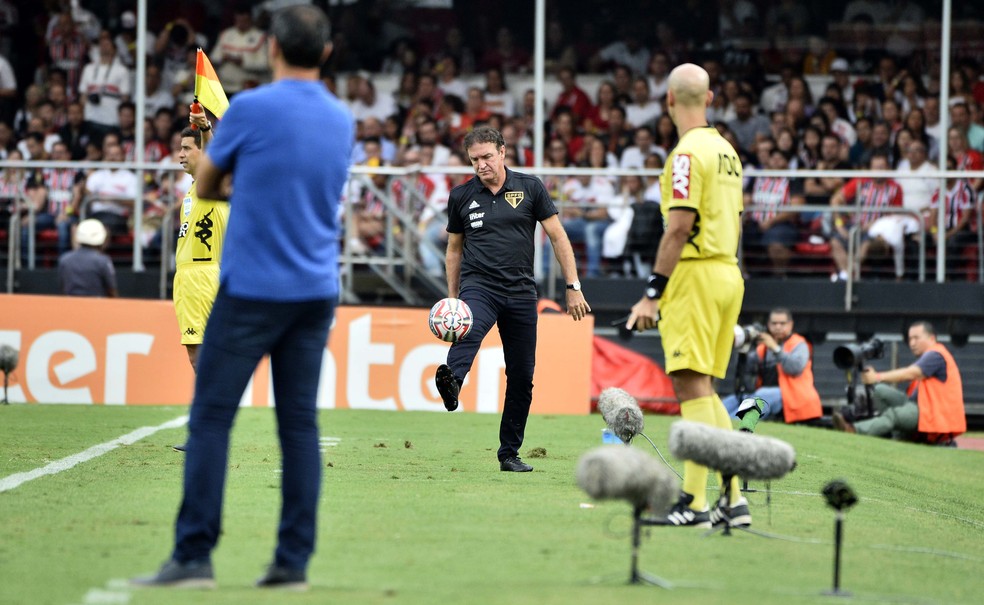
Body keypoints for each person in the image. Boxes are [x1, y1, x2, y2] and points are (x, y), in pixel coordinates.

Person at [131, 6, 351, 590]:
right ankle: (291, 564)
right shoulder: (341, 119)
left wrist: (222, 169)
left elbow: (204, 183)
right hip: (315, 290)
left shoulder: (250, 109)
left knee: (209, 419)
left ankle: (194, 556)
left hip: (253, 286)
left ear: (271, 47)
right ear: (325, 53)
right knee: (298, 426)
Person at [626, 63, 747, 528]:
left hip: (694, 276)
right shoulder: (727, 151)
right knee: (705, 389)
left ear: (669, 101)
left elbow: (679, 227)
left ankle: (693, 503)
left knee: (689, 386)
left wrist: (652, 293)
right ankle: (731, 499)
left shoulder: (685, 155)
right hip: (728, 272)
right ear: (710, 99)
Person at [433, 126, 590, 473]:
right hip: (480, 287)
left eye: (487, 157)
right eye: (475, 160)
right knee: (468, 330)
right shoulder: (461, 196)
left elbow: (558, 236)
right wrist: (453, 299)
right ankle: (452, 381)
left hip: (521, 292)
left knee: (522, 376)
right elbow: (454, 250)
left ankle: (509, 454)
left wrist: (573, 286)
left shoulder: (530, 187)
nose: (481, 165)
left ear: (503, 152)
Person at [833, 321, 965, 445]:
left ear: (932, 338)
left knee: (893, 414)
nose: (912, 343)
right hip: (920, 406)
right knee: (880, 391)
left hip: (932, 413)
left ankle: (854, 430)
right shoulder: (931, 356)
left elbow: (910, 373)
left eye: (916, 338)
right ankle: (896, 433)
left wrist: (877, 376)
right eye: (910, 339)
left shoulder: (936, 354)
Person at [722, 309, 822, 424]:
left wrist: (775, 348)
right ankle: (718, 424)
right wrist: (745, 347)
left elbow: (795, 368)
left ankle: (736, 424)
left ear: (790, 325)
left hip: (795, 397)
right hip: (766, 394)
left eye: (782, 323)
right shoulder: (763, 348)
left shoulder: (799, 344)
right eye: (774, 323)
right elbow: (745, 369)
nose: (778, 327)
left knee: (762, 395)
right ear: (768, 325)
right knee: (735, 399)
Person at [57, 218, 117, 297]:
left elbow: (62, 288)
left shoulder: (64, 259)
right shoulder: (103, 261)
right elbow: (111, 290)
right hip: (97, 307)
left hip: (70, 306)